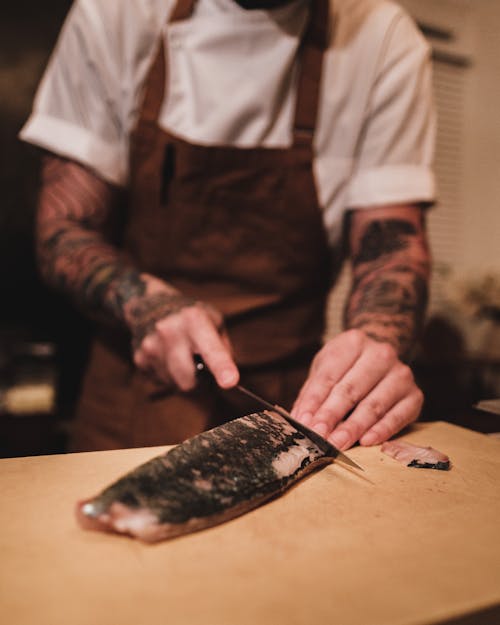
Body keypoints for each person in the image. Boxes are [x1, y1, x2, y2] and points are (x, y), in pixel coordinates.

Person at [21, 0, 435, 452]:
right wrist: (144, 304)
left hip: (294, 408)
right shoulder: (117, 12)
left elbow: (392, 246)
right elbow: (62, 227)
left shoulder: (383, 39)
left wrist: (374, 349)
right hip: (129, 403)